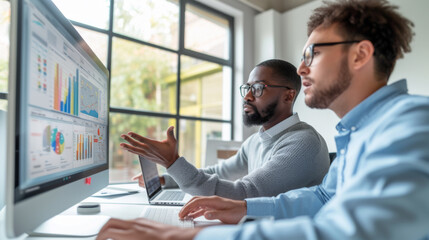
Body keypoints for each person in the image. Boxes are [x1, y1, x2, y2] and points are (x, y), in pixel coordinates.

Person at [96, 0, 429, 239]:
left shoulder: (411, 122)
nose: (301, 69)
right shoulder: (356, 133)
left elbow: (360, 231)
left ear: (359, 55)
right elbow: (324, 198)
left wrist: (190, 237)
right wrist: (243, 208)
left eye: (313, 54)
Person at [121, 59, 330, 200]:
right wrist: (165, 179)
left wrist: (173, 162)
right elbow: (217, 172)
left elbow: (243, 194)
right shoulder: (255, 142)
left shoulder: (304, 143)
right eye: (247, 88)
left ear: (288, 96)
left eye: (258, 88)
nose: (247, 96)